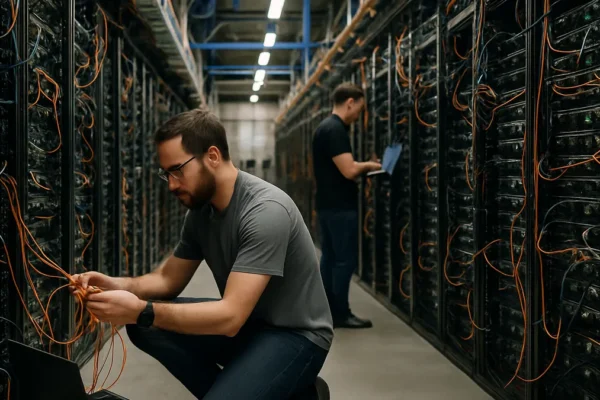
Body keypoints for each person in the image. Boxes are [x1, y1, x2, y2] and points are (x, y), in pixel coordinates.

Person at [70, 107, 334, 399]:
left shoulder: (266, 211)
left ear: (212, 156)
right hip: (251, 327)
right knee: (145, 327)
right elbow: (168, 280)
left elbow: (230, 316)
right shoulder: (201, 211)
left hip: (295, 335)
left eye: (178, 170)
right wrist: (117, 284)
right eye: (166, 173)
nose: (171, 185)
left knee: (145, 315)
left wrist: (141, 310)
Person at [312, 83, 382, 329]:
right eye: (359, 109)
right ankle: (341, 314)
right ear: (350, 102)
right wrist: (371, 166)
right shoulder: (335, 130)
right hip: (340, 207)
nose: (358, 115)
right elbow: (349, 170)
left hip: (327, 205)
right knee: (344, 261)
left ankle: (327, 311)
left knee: (330, 258)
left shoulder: (324, 127)